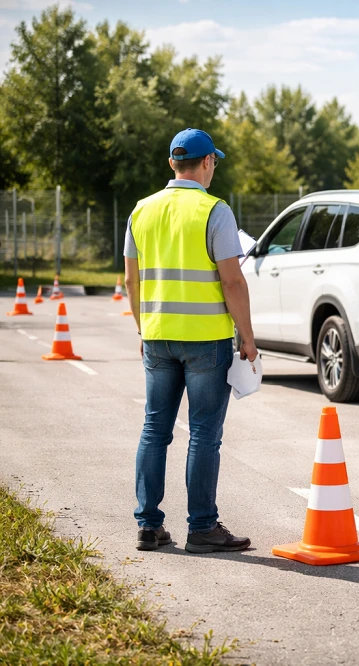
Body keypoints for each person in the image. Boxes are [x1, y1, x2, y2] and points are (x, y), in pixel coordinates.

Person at [124, 128, 258, 553]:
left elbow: (132, 278)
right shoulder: (214, 211)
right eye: (213, 161)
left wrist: (143, 327)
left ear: (171, 164)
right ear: (205, 164)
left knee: (154, 429)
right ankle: (201, 528)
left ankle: (148, 525)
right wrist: (248, 338)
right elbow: (232, 280)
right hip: (206, 340)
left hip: (159, 336)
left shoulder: (141, 210)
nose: (213, 168)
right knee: (203, 434)